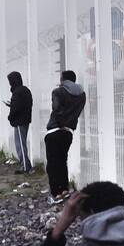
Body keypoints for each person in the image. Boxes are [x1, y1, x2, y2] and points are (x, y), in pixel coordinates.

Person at [45, 70, 86, 204]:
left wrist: (60, 122)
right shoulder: (82, 95)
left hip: (54, 131)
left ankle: (56, 194)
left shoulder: (58, 92)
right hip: (68, 132)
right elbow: (76, 113)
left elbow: (56, 109)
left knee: (52, 164)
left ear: (63, 80)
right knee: (62, 161)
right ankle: (64, 190)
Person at [5, 71, 34, 174]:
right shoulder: (25, 90)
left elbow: (16, 108)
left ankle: (25, 166)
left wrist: (10, 116)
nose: (9, 83)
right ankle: (26, 164)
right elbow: (25, 104)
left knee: (20, 144)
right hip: (25, 120)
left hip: (19, 121)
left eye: (10, 81)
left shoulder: (17, 92)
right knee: (22, 143)